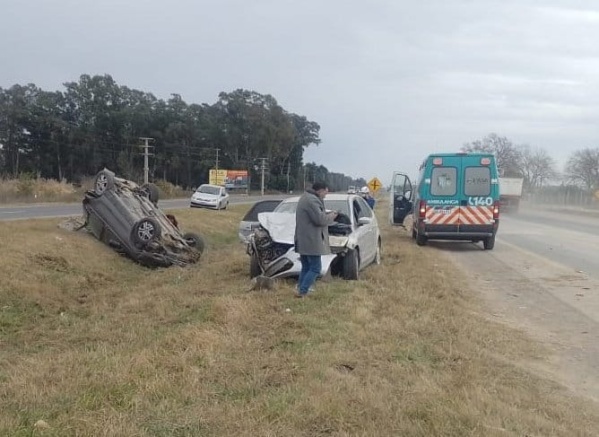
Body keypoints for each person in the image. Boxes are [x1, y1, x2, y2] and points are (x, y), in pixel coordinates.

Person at [294, 181, 338, 298]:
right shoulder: (312, 200)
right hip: (311, 239)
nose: (325, 195)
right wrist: (332, 216)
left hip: (303, 238)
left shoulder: (305, 197)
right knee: (315, 268)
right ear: (320, 190)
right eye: (325, 193)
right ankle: (303, 291)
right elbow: (320, 220)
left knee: (306, 266)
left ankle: (301, 288)